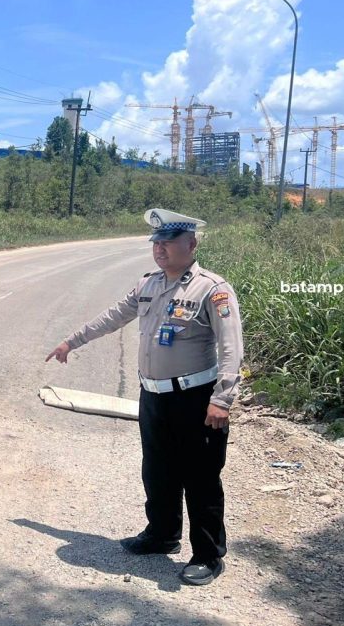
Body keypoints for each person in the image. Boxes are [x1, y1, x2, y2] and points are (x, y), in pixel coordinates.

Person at [45, 208, 243, 586]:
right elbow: (113, 316)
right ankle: (162, 535)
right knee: (157, 470)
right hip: (153, 396)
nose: (160, 250)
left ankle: (208, 555)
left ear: (191, 244)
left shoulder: (212, 289)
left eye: (168, 242)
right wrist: (72, 341)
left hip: (195, 399)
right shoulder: (148, 285)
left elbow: (232, 347)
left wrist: (222, 399)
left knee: (200, 478)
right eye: (156, 243)